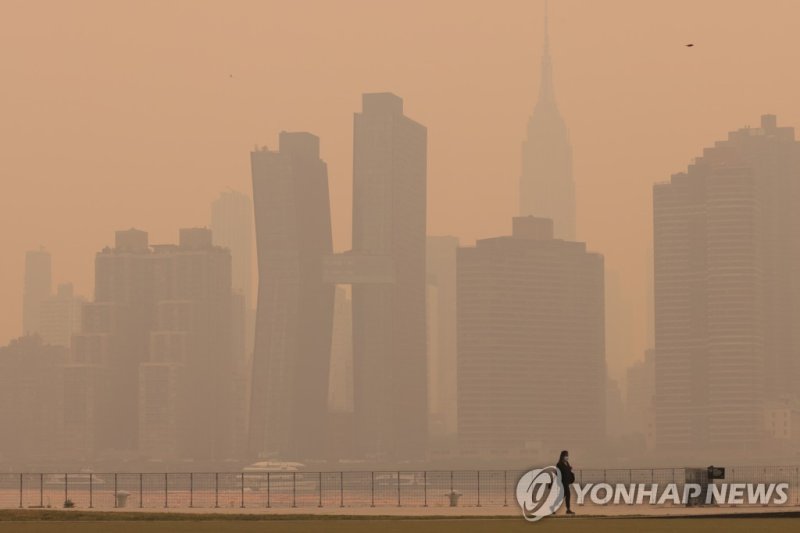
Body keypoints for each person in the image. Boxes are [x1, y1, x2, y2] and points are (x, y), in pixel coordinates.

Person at [556, 450, 575, 515]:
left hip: (566, 482)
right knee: (568, 494)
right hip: (562, 482)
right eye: (565, 456)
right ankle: (568, 509)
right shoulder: (559, 464)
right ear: (562, 456)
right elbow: (557, 473)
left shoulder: (567, 463)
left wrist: (570, 469)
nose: (566, 457)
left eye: (567, 456)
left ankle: (553, 508)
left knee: (562, 496)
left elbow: (568, 471)